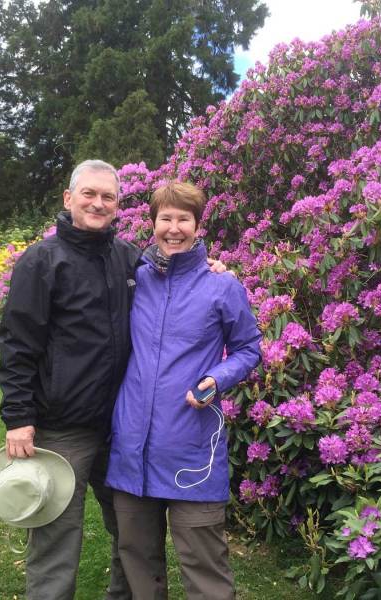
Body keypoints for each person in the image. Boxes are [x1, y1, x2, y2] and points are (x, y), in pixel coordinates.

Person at [0, 160, 225, 599]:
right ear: (69, 199)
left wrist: (207, 266)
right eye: (89, 194)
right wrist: (18, 416)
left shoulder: (127, 257)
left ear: (118, 206)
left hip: (122, 428)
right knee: (56, 536)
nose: (98, 203)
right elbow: (18, 343)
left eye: (108, 197)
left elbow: (173, 273)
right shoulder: (42, 261)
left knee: (128, 532)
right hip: (62, 427)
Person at [105, 181, 262, 600]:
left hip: (192, 450)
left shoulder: (221, 285)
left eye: (183, 219)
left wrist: (216, 380)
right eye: (165, 218)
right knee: (137, 559)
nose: (173, 228)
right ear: (152, 222)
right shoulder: (135, 280)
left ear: (197, 224)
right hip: (131, 447)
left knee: (204, 566)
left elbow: (249, 348)